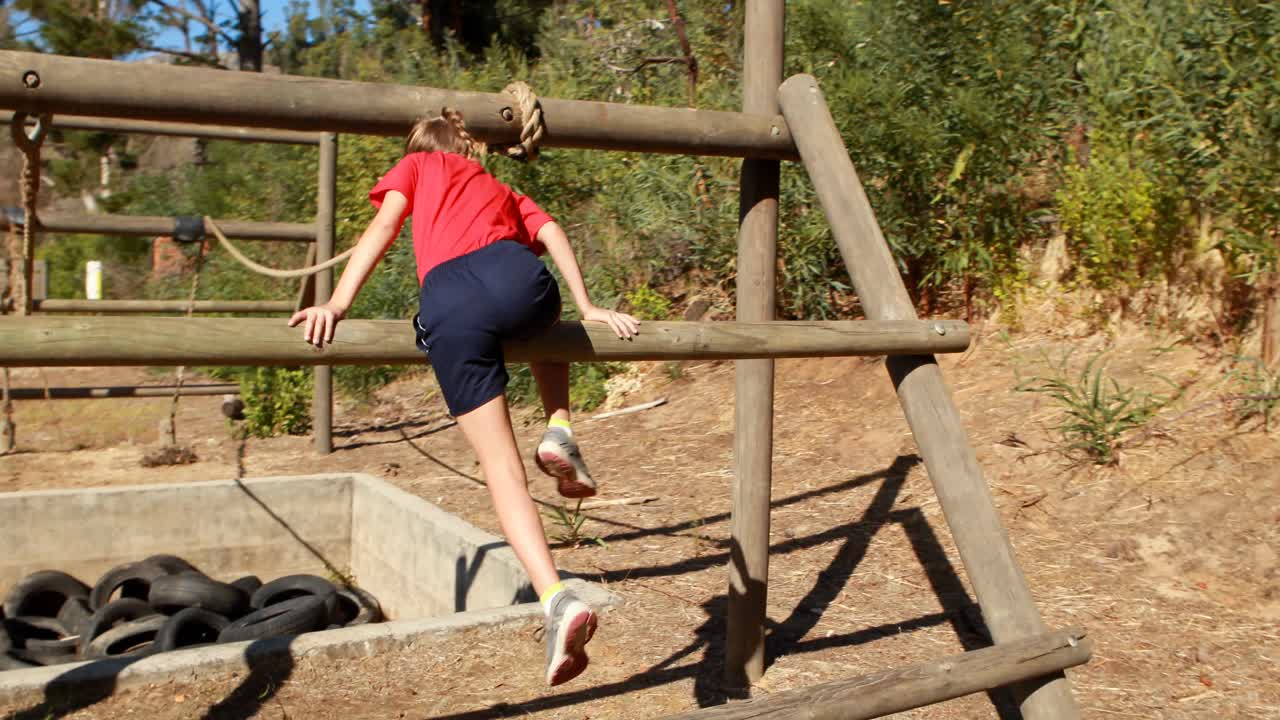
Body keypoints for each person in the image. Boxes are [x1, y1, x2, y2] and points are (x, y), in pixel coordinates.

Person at [289, 108, 640, 686]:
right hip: (521, 280)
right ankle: (560, 428)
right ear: (473, 150)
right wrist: (587, 306)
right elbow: (552, 233)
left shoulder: (418, 163)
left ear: (420, 148)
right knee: (545, 331)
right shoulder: (499, 186)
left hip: (451, 300)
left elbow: (383, 228)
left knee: (501, 469)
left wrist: (337, 304)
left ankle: (555, 598)